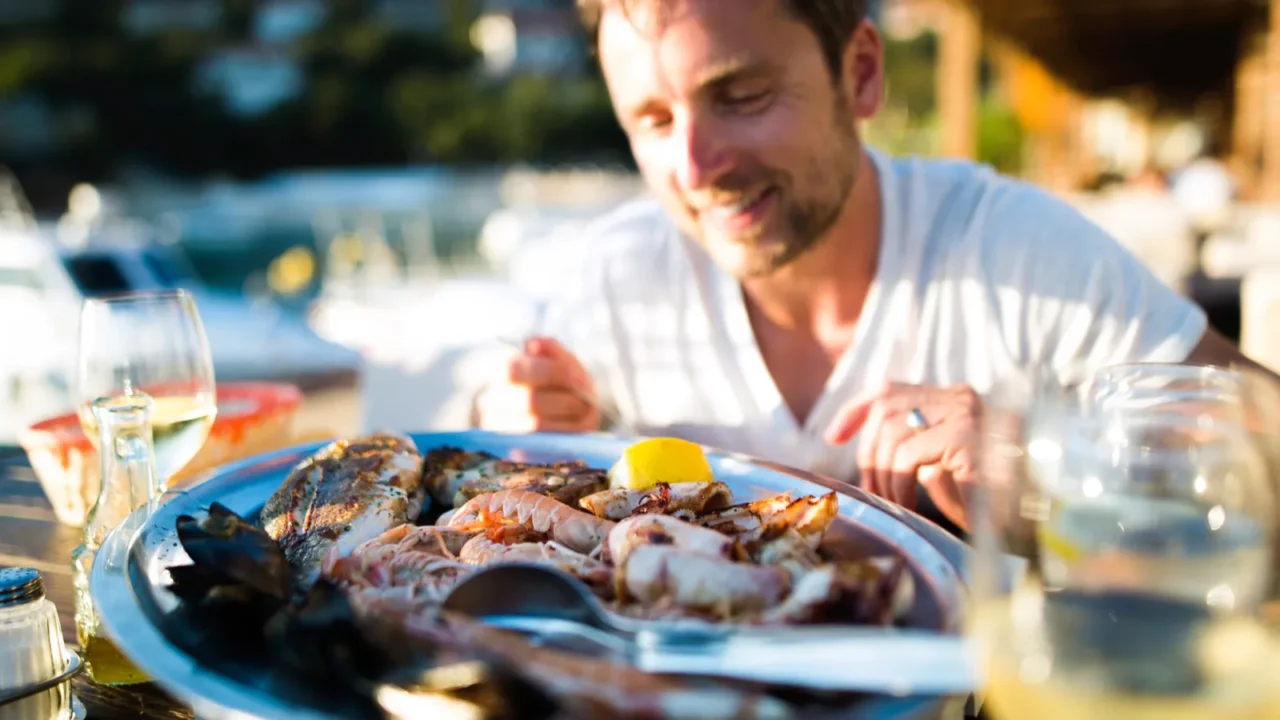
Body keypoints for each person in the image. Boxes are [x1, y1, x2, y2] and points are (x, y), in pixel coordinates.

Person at [472, 0, 1272, 531]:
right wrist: (515, 434)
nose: (694, 165)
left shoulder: (1015, 249)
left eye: (741, 95)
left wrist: (1058, 466)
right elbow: (501, 466)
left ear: (859, 73)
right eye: (652, 119)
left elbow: (1264, 432)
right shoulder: (618, 279)